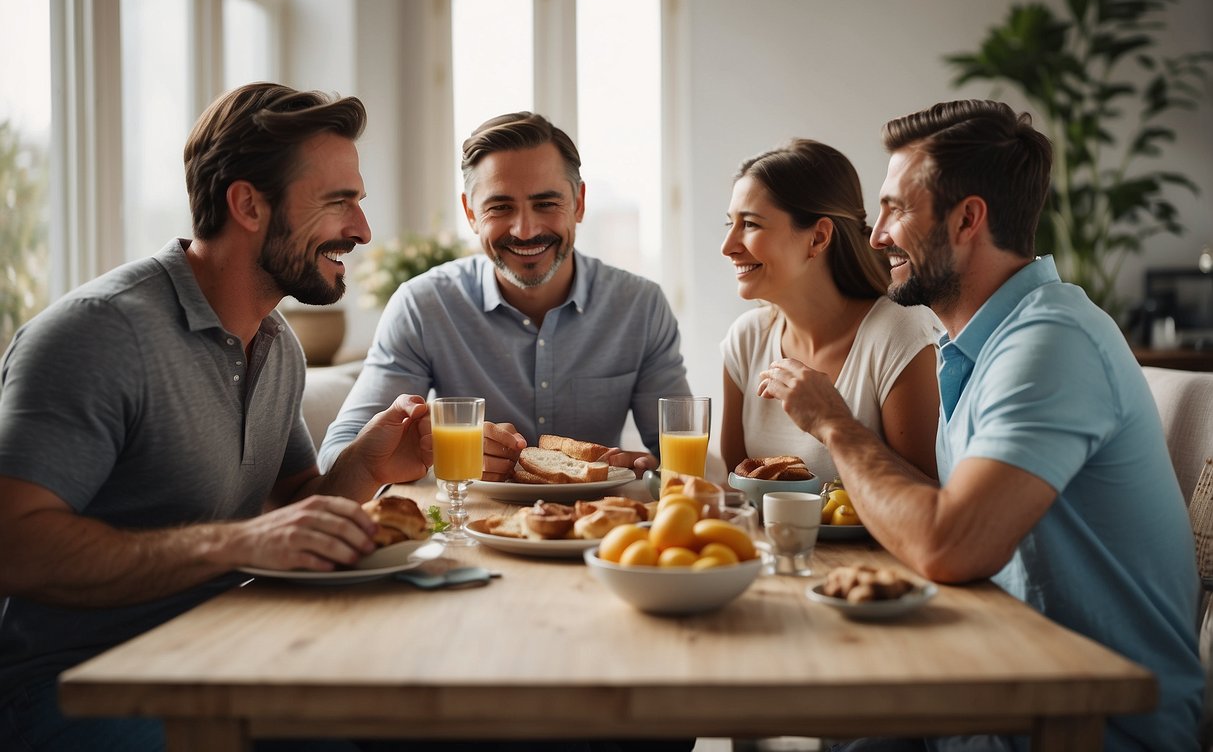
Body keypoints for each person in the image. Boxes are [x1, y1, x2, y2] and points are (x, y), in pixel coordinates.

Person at [0, 82, 436, 751]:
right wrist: (232, 543)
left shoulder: (274, 342)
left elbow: (292, 505)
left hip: (227, 655)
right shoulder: (98, 335)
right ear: (247, 204)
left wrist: (364, 466)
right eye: (338, 201)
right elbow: (16, 548)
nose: (362, 230)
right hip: (79, 688)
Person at [758, 100, 1203, 751]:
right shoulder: (974, 345)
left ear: (967, 218)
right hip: (998, 682)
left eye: (895, 208)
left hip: (1086, 724)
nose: (876, 234)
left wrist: (835, 424)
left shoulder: (1049, 344)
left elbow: (948, 545)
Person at [319, 111, 691, 480]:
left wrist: (650, 470)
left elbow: (687, 460)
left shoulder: (640, 306)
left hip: (596, 527)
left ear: (578, 202)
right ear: (470, 212)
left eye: (546, 204)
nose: (525, 230)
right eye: (500, 207)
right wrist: (436, 453)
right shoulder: (423, 305)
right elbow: (335, 459)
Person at [719, 139, 940, 483]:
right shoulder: (746, 339)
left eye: (750, 224)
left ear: (818, 238)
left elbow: (928, 497)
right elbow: (737, 488)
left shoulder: (899, 331)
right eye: (729, 224)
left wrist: (833, 423)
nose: (728, 247)